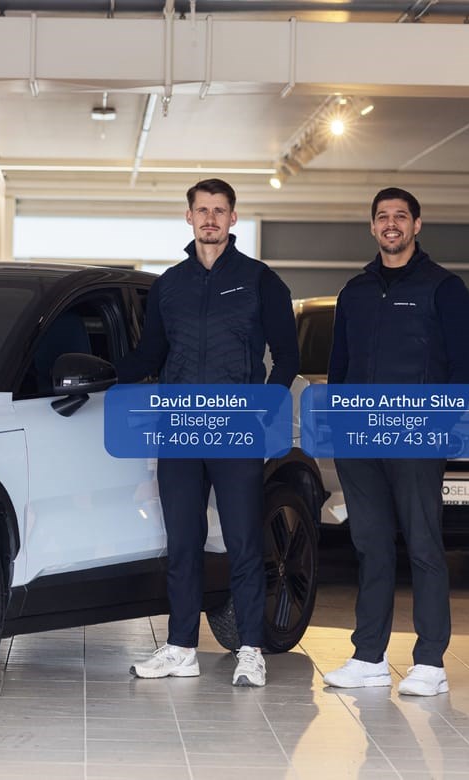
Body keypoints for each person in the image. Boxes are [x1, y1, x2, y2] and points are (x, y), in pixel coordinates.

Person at [118, 178, 299, 687]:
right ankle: (181, 648)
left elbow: (287, 356)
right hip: (179, 428)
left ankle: (250, 649)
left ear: (233, 218)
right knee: (183, 542)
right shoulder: (169, 285)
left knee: (243, 541)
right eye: (203, 210)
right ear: (189, 217)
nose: (211, 219)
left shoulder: (261, 281)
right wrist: (107, 376)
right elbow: (151, 354)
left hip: (236, 429)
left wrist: (262, 409)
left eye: (220, 210)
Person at [322, 187, 469, 697]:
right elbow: (339, 366)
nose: (392, 223)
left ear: (416, 225)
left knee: (423, 544)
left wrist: (441, 426)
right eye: (383, 216)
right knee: (370, 546)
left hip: (417, 435)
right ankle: (368, 657)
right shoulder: (354, 292)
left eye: (401, 216)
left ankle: (430, 662)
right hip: (359, 438)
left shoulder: (444, 288)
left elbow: (465, 367)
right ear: (372, 227)